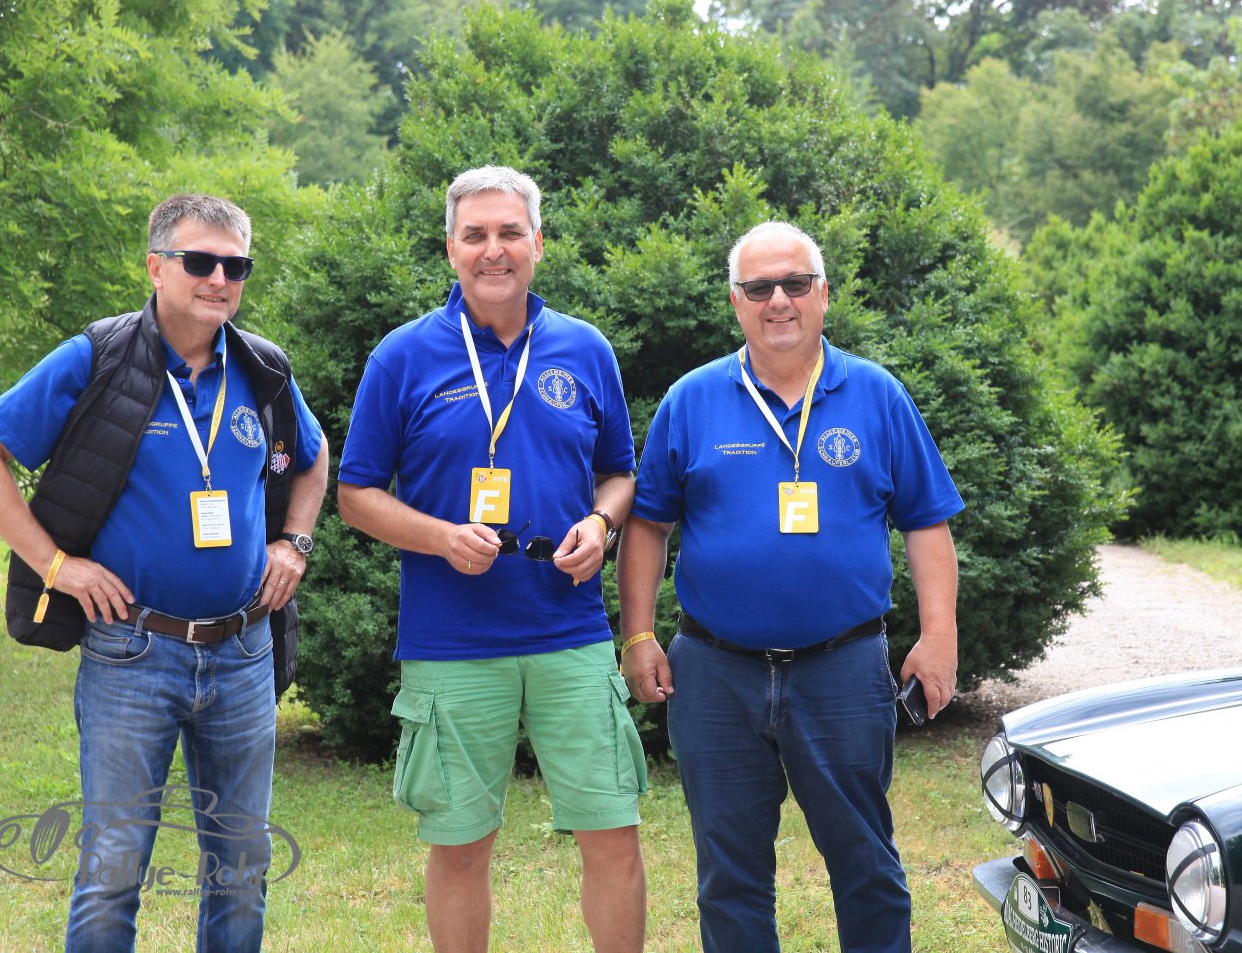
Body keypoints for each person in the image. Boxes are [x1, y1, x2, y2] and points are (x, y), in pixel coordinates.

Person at [0, 193, 328, 952]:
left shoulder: (263, 368)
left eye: (236, 266)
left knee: (242, 869)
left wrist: (295, 544)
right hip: (132, 651)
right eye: (200, 261)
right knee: (114, 869)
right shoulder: (97, 355)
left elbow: (313, 463)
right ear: (156, 267)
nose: (219, 279)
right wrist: (56, 565)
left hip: (243, 651)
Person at [616, 220, 964, 952]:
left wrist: (939, 636)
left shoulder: (877, 395)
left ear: (824, 294)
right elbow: (648, 525)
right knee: (729, 875)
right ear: (735, 302)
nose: (779, 300)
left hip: (842, 668)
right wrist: (639, 633)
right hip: (716, 673)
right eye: (759, 287)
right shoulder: (692, 399)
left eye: (795, 283)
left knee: (866, 863)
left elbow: (926, 523)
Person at [336, 165, 646, 953]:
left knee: (613, 833)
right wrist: (440, 536)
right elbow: (355, 493)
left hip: (570, 632)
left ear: (538, 242)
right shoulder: (402, 356)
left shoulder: (585, 348)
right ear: (451, 249)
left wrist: (602, 524)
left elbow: (621, 473)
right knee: (462, 845)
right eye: (475, 234)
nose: (493, 249)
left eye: (510, 232)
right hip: (452, 642)